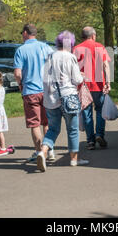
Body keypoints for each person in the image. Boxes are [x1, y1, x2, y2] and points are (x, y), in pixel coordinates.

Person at [36, 31, 87, 172]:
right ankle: (74, 159)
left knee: (52, 129)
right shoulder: (70, 57)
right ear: (70, 43)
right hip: (68, 97)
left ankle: (43, 151)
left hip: (50, 99)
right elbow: (77, 80)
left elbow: (44, 79)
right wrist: (82, 76)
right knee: (72, 129)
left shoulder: (49, 57)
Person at [14, 24, 55, 163]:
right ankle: (49, 149)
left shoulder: (21, 50)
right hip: (46, 90)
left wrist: (20, 85)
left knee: (35, 124)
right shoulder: (46, 47)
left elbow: (17, 73)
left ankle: (39, 152)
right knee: (47, 121)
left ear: (25, 33)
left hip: (30, 91)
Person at [73, 26, 111, 150]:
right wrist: (108, 83)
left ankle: (90, 141)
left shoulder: (76, 49)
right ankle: (99, 134)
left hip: (83, 86)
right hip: (99, 85)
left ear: (82, 36)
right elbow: (106, 65)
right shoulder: (100, 47)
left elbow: (73, 69)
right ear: (93, 36)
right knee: (100, 110)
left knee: (86, 112)